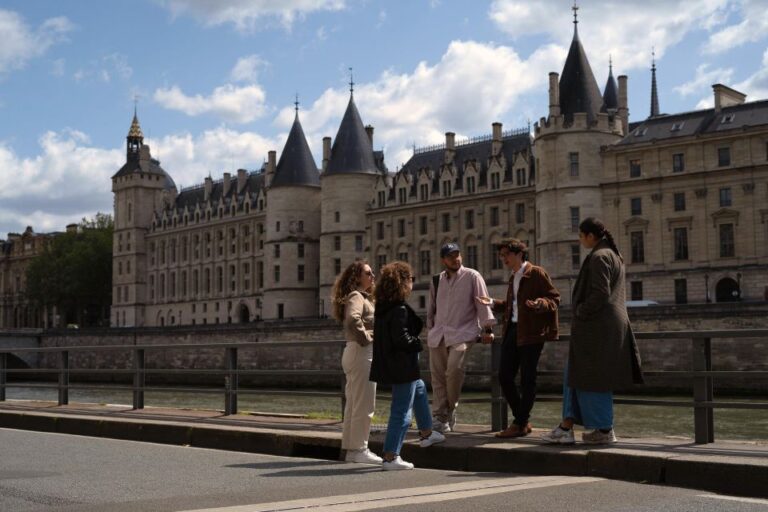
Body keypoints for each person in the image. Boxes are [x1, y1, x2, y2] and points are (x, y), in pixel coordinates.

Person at [542, 218, 643, 445]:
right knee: (578, 374)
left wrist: (580, 311)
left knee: (591, 378)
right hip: (605, 327)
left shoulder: (599, 257)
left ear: (590, 236)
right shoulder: (612, 255)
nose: (579, 240)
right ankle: (569, 426)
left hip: (597, 328)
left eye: (581, 236)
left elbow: (599, 293)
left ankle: (602, 430)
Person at [477, 239, 560, 438]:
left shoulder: (536, 273)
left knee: (527, 379)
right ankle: (521, 421)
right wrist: (493, 303)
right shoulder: (513, 277)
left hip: (531, 332)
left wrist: (540, 303)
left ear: (519, 254)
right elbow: (512, 306)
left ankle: (519, 423)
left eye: (506, 254)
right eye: (502, 255)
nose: (503, 258)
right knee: (504, 376)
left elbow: (555, 298)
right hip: (513, 330)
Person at [370, 261, 445, 470]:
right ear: (402, 282)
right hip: (402, 365)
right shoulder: (399, 310)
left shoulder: (384, 308)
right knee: (401, 410)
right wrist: (417, 343)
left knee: (419, 389)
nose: (413, 283)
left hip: (393, 364)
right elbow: (401, 339)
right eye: (411, 279)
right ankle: (391, 456)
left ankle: (427, 433)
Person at [427, 242, 496, 433]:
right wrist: (430, 328)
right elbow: (432, 307)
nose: (455, 259)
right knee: (438, 378)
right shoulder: (436, 280)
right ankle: (440, 417)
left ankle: (449, 410)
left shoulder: (472, 276)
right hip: (439, 334)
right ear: (443, 260)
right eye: (450, 256)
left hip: (463, 332)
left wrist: (488, 328)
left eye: (457, 255)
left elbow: (483, 302)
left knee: (454, 370)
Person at [331, 260, 381, 464]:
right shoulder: (357, 296)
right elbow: (353, 319)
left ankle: (352, 449)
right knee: (364, 404)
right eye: (368, 273)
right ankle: (360, 448)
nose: (372, 276)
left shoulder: (361, 296)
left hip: (354, 352)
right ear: (357, 277)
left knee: (354, 404)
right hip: (361, 352)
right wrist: (367, 337)